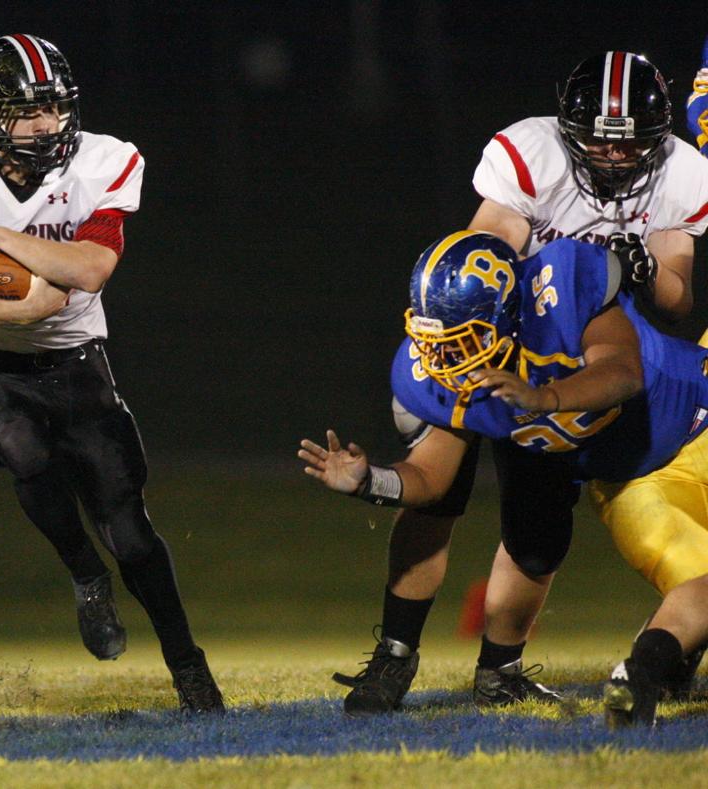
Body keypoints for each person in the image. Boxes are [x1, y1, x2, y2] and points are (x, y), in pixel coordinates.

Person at [331, 51, 708, 716]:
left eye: (627, 144)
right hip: (507, 325)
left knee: (538, 527)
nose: (611, 156)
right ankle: (394, 655)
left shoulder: (678, 176)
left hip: (570, 342)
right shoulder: (531, 157)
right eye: (594, 137)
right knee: (436, 498)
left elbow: (672, 304)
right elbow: (488, 248)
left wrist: (644, 267)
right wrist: (371, 478)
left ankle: (499, 668)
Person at [0, 34, 224, 713]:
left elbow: (91, 269)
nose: (44, 125)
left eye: (52, 108)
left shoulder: (103, 161)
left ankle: (188, 664)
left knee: (132, 531)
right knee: (27, 454)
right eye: (25, 112)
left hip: (79, 364)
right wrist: (24, 307)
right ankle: (83, 573)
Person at [301, 230, 708, 727]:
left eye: (461, 341)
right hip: (633, 476)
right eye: (435, 342)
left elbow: (623, 370)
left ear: (508, 316)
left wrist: (545, 397)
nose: (443, 361)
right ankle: (648, 666)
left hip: (696, 411)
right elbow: (431, 479)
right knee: (544, 540)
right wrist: (372, 482)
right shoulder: (435, 374)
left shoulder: (560, 293)